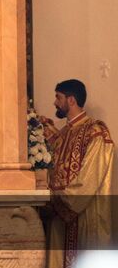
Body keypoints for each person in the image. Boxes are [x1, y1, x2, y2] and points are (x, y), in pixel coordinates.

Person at [39, 79, 115, 268]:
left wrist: (60, 199)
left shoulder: (96, 132)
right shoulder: (65, 132)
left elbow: (90, 176)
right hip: (60, 218)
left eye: (58, 97)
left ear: (71, 100)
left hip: (84, 215)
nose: (55, 102)